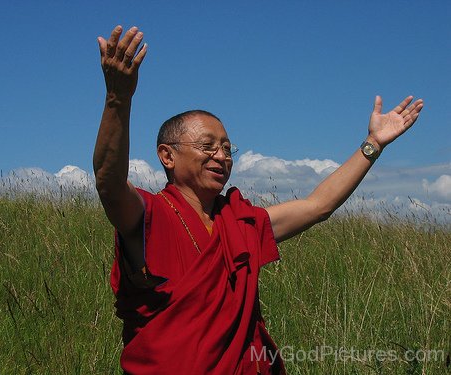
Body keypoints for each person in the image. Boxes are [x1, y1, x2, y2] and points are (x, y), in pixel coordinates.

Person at [93, 24, 423, 375]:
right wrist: (118, 98)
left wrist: (373, 145)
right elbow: (108, 183)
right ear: (167, 156)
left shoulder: (239, 221)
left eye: (226, 148)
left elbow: (318, 206)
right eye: (207, 147)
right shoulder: (150, 215)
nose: (221, 156)